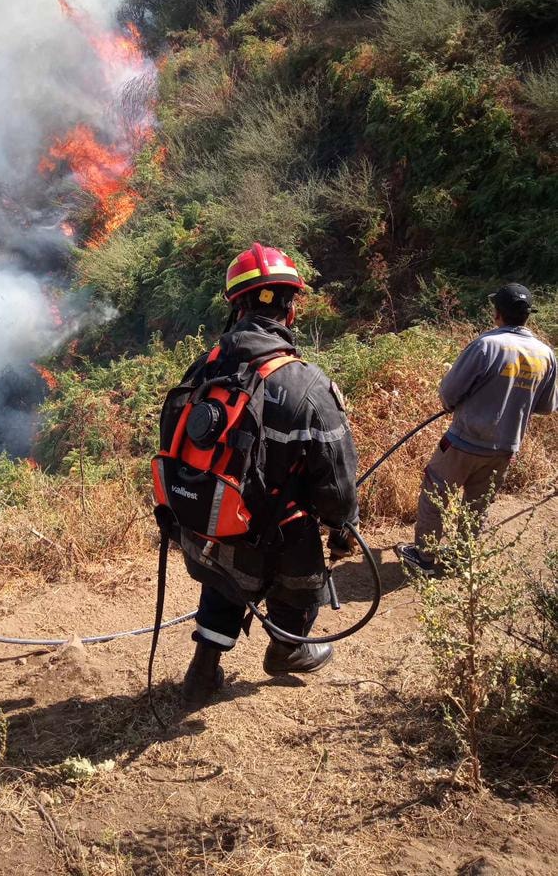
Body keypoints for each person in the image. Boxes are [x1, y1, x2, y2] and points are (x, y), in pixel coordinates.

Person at [172, 244, 360, 709]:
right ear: (291, 309)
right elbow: (336, 481)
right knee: (304, 585)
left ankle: (202, 671)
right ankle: (287, 649)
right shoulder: (307, 384)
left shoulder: (206, 366)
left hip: (210, 520)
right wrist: (341, 528)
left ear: (235, 306)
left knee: (222, 579)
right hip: (280, 530)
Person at [396, 283, 558, 577]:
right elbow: (546, 407)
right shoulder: (546, 354)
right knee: (478, 505)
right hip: (506, 448)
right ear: (527, 316)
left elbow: (448, 393)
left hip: (464, 442)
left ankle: (425, 557)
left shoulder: (487, 345)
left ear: (497, 313)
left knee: (436, 492)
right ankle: (462, 558)